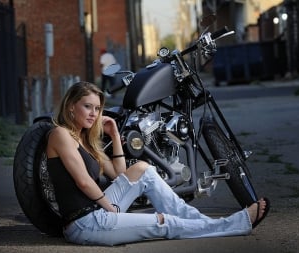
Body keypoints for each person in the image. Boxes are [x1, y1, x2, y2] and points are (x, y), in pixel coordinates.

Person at [46, 81, 270, 246]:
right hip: (85, 223)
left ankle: (202, 223)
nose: (94, 114)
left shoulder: (85, 140)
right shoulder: (60, 134)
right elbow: (84, 182)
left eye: (97, 108)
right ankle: (236, 224)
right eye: (88, 107)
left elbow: (119, 174)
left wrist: (114, 136)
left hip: (97, 211)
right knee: (165, 223)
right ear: (71, 107)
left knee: (144, 170)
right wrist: (110, 208)